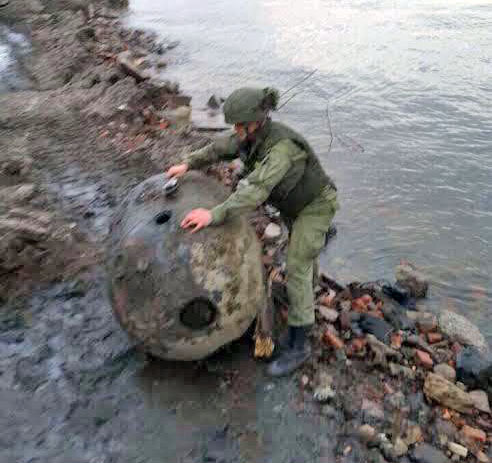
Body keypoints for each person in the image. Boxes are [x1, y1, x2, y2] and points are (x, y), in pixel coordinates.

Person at [166, 87, 339, 376]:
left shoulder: (282, 150)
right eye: (234, 125)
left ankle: (300, 344)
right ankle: (308, 293)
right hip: (293, 206)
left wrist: (213, 214)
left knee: (296, 265)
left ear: (255, 121)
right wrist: (188, 164)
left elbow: (255, 191)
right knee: (303, 256)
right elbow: (220, 147)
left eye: (239, 125)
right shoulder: (251, 136)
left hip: (315, 207)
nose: (235, 130)